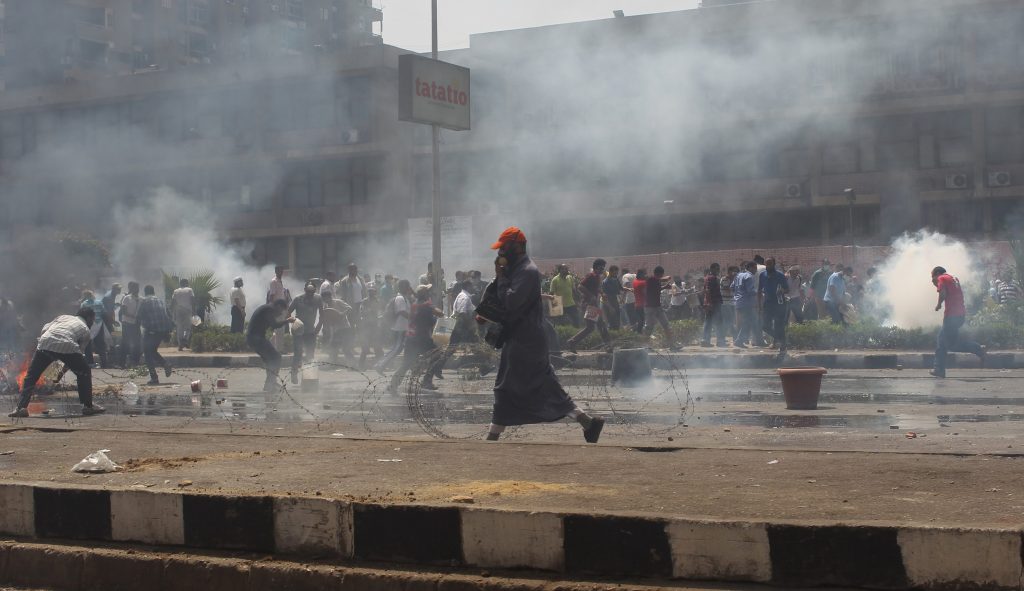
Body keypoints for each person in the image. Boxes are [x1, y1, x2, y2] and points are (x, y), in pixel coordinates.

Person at [481, 227, 605, 443]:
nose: (501, 253)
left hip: (526, 339)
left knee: (506, 386)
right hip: (522, 337)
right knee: (542, 384)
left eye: (503, 248)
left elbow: (510, 302)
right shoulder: (519, 271)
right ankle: (587, 423)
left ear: (517, 247)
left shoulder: (527, 271)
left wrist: (501, 278)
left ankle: (492, 437)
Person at [8, 308, 105, 418]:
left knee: (31, 376)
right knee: (84, 372)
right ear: (88, 318)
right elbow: (76, 357)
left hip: (45, 343)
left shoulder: (63, 317)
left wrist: (58, 371)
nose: (92, 322)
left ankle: (21, 408)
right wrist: (61, 373)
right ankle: (88, 406)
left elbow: (45, 329)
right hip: (67, 345)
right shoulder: (86, 330)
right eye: (92, 320)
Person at [930, 266, 986, 379]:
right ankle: (979, 349)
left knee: (941, 341)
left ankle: (939, 369)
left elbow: (943, 294)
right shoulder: (953, 278)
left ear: (937, 273)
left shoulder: (941, 278)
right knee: (952, 345)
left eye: (933, 277)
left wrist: (938, 305)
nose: (934, 280)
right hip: (960, 315)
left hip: (951, 316)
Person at [388, 284, 443, 393]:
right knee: (437, 355)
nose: (429, 293)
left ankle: (393, 385)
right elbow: (440, 313)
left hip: (411, 337)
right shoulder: (426, 305)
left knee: (406, 363)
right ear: (425, 294)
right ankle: (427, 381)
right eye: (428, 292)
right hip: (422, 338)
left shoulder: (414, 305)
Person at [247, 299, 296, 392]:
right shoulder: (268, 309)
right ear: (278, 306)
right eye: (281, 310)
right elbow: (274, 325)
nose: (281, 312)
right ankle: (271, 383)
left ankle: (270, 384)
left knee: (270, 360)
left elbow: (271, 323)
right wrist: (287, 321)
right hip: (255, 338)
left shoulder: (268, 309)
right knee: (276, 357)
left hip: (255, 338)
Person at [566, 259, 613, 354]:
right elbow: (580, 286)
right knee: (591, 327)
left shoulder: (597, 277)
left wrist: (602, 293)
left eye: (603, 268)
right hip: (589, 305)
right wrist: (591, 295)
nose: (602, 270)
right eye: (600, 268)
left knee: (601, 325)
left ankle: (609, 346)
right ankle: (572, 342)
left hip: (593, 305)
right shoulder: (591, 276)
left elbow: (597, 288)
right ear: (595, 267)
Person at [288, 281, 324, 384]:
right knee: (298, 353)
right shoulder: (298, 299)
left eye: (312, 292)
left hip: (310, 331)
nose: (310, 294)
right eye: (308, 292)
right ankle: (294, 373)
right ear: (305, 290)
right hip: (299, 331)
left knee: (310, 355)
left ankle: (308, 378)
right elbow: (288, 311)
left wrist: (318, 328)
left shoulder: (318, 298)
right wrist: (293, 323)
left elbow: (322, 315)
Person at [137, 285, 174, 385]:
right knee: (152, 350)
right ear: (153, 292)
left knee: (147, 353)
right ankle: (165, 364)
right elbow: (169, 315)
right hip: (163, 330)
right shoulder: (160, 300)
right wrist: (168, 331)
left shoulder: (144, 301)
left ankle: (154, 378)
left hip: (151, 331)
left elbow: (138, 316)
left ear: (145, 292)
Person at [375, 279, 412, 374]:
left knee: (397, 348)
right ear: (403, 287)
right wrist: (413, 318)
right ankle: (380, 365)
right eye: (408, 286)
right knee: (396, 349)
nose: (409, 288)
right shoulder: (400, 298)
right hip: (399, 328)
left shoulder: (405, 298)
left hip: (403, 327)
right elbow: (402, 312)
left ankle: (381, 364)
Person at [758, 258, 789, 359]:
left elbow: (787, 289)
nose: (768, 266)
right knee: (765, 326)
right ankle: (779, 340)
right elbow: (759, 291)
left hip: (779, 304)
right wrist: (759, 306)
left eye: (770, 264)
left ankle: (782, 346)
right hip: (768, 304)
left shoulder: (780, 275)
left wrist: (782, 291)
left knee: (779, 325)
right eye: (766, 264)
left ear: (774, 264)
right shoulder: (762, 275)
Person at [643, 266, 678, 349]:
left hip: (657, 306)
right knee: (649, 327)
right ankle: (645, 346)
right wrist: (665, 285)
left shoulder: (655, 280)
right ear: (660, 274)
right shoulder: (651, 279)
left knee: (666, 325)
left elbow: (657, 289)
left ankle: (672, 345)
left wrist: (665, 287)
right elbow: (656, 285)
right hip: (650, 307)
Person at [701, 263, 727, 347]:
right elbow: (708, 291)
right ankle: (720, 341)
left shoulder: (707, 278)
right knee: (718, 322)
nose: (718, 271)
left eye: (718, 269)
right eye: (717, 269)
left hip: (711, 303)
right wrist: (709, 303)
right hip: (714, 303)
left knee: (708, 321)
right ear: (712, 269)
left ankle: (705, 340)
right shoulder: (712, 278)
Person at [732, 262, 758, 348]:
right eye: (755, 268)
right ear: (750, 268)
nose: (756, 270)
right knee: (747, 322)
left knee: (746, 322)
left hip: (738, 302)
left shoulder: (738, 275)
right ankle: (740, 340)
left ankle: (740, 339)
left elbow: (732, 287)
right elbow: (750, 291)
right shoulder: (749, 276)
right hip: (747, 303)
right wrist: (759, 292)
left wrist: (738, 294)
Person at [118, 282, 142, 367]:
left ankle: (135, 362)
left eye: (137, 287)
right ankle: (122, 363)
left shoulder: (141, 299)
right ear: (131, 288)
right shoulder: (127, 298)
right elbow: (124, 311)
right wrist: (134, 316)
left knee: (137, 343)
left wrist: (139, 318)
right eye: (134, 287)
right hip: (127, 323)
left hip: (136, 324)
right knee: (125, 343)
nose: (137, 289)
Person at [170, 278, 195, 350]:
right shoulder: (190, 290)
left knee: (179, 327)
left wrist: (172, 312)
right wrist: (194, 311)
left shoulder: (176, 291)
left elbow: (173, 302)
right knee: (187, 327)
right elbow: (192, 300)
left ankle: (180, 345)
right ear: (186, 283)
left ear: (180, 284)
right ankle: (185, 339)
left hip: (178, 310)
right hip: (187, 310)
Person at [101, 284, 121, 366]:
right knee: (113, 336)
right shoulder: (109, 297)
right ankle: (111, 358)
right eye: (118, 289)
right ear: (114, 289)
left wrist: (116, 305)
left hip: (107, 319)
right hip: (106, 320)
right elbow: (107, 312)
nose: (120, 290)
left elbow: (111, 308)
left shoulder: (112, 294)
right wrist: (113, 321)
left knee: (114, 335)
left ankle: (111, 355)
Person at [602, 265, 623, 330]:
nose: (616, 274)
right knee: (611, 320)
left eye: (617, 272)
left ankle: (616, 333)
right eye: (615, 272)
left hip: (615, 301)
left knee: (617, 319)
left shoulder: (615, 279)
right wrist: (610, 307)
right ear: (611, 272)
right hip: (609, 302)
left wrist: (629, 289)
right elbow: (605, 296)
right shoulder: (606, 282)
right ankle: (611, 335)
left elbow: (620, 289)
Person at [632, 269, 648, 334]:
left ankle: (637, 332)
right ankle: (640, 333)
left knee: (640, 321)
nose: (646, 275)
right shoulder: (643, 282)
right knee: (643, 321)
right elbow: (645, 292)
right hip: (643, 305)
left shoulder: (635, 281)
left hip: (637, 304)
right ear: (641, 274)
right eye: (645, 274)